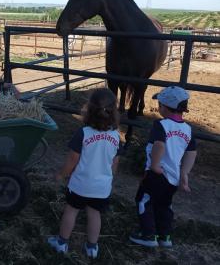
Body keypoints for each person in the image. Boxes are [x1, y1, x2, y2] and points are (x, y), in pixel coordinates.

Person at [48, 88, 122, 259]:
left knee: (71, 211)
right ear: (113, 112)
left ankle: (61, 243)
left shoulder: (83, 134)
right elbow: (115, 162)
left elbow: (72, 160)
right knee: (94, 214)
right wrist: (110, 178)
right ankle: (92, 247)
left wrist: (62, 175)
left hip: (80, 184)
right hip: (101, 187)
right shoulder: (116, 136)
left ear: (89, 109)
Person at [129, 86, 197, 248]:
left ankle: (148, 235)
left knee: (144, 201)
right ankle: (165, 237)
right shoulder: (188, 129)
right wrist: (184, 174)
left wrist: (154, 165)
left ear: (165, 107)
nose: (158, 108)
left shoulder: (161, 125)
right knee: (164, 205)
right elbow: (191, 153)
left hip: (157, 174)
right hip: (173, 177)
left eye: (159, 105)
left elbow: (159, 145)